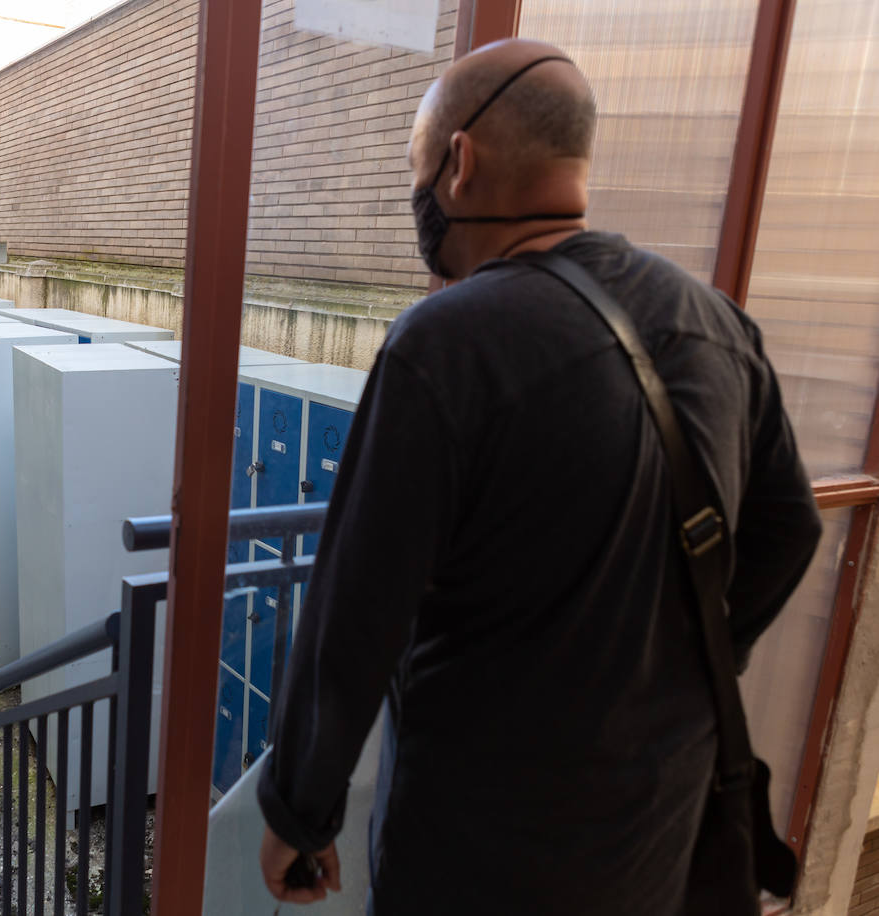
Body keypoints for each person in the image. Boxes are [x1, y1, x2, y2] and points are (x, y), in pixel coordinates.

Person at [256, 38, 822, 915]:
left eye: (418, 171)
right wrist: (688, 658)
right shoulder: (716, 324)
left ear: (460, 162)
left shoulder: (446, 345)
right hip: (655, 831)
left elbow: (356, 608)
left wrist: (300, 809)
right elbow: (790, 529)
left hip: (481, 845)